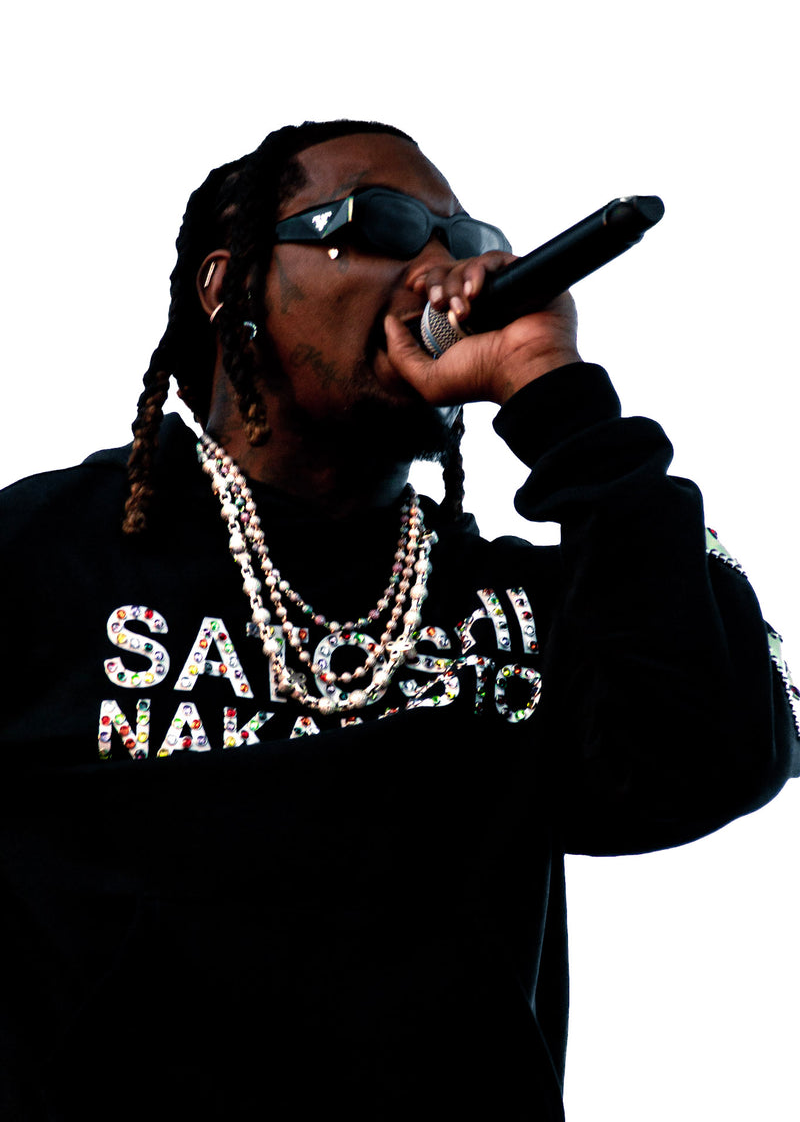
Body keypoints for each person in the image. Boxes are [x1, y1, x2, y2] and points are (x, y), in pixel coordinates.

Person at [1, 119, 797, 1121]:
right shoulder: (39, 556)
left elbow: (716, 759)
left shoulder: (522, 603)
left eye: (467, 243)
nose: (439, 272)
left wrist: (561, 404)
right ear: (227, 285)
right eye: (379, 225)